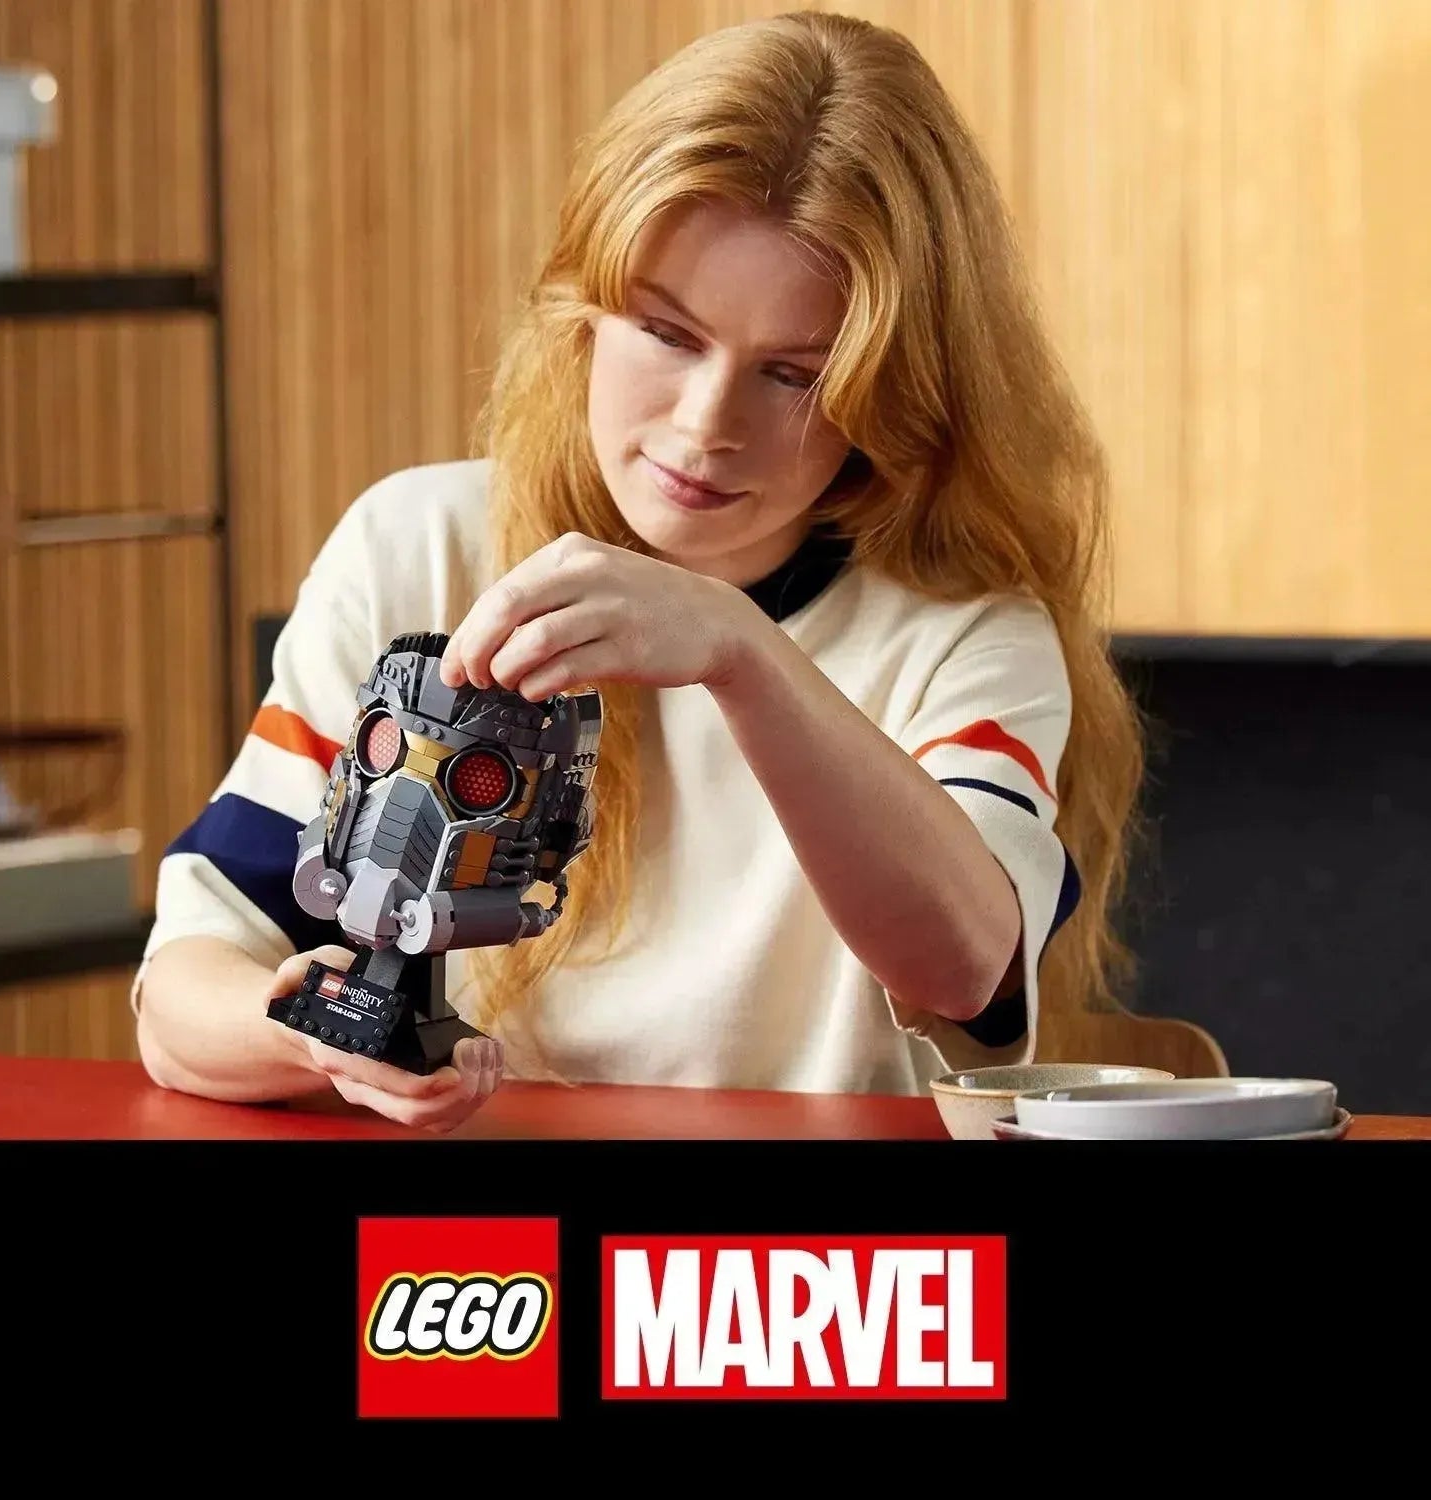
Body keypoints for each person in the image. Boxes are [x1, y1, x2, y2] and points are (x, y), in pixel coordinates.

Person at [132, 10, 1144, 1133]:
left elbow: (967, 972)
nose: (706, 425)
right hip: (492, 1240)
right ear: (583, 310)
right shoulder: (416, 544)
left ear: (896, 389)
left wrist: (738, 652)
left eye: (794, 376)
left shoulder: (966, 630)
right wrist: (322, 1037)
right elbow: (181, 993)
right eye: (667, 333)